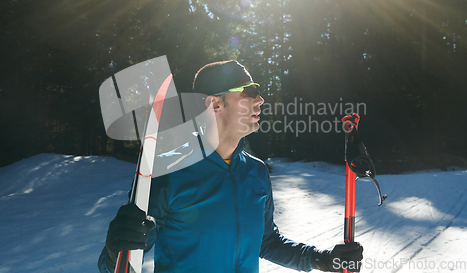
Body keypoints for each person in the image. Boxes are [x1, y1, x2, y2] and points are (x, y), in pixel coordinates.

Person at [98, 60, 363, 273]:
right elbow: (121, 261)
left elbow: (266, 241)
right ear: (215, 104)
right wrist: (114, 251)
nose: (259, 100)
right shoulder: (170, 173)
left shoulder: (256, 173)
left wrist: (323, 260)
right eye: (249, 91)